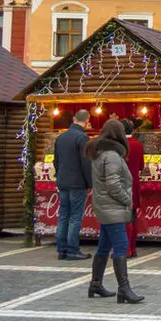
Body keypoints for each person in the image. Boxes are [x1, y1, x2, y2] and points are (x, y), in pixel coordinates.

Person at [84, 119, 144, 303]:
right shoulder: (112, 155)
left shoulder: (100, 152)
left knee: (104, 245)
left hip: (105, 205)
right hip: (113, 207)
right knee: (120, 246)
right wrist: (127, 200)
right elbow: (113, 184)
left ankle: (96, 284)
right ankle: (124, 289)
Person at [53, 109, 93, 261]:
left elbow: (56, 161)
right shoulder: (82, 138)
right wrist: (90, 183)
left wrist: (60, 175)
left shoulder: (61, 137)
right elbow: (86, 163)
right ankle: (72, 250)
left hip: (63, 181)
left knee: (63, 215)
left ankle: (61, 249)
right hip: (77, 183)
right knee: (75, 217)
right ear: (87, 120)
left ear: (74, 118)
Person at [122, 120, 145, 259]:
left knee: (124, 219)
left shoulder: (119, 146)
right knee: (133, 216)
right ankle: (133, 247)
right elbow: (141, 166)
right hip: (134, 184)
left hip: (122, 185)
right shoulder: (138, 145)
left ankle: (126, 249)